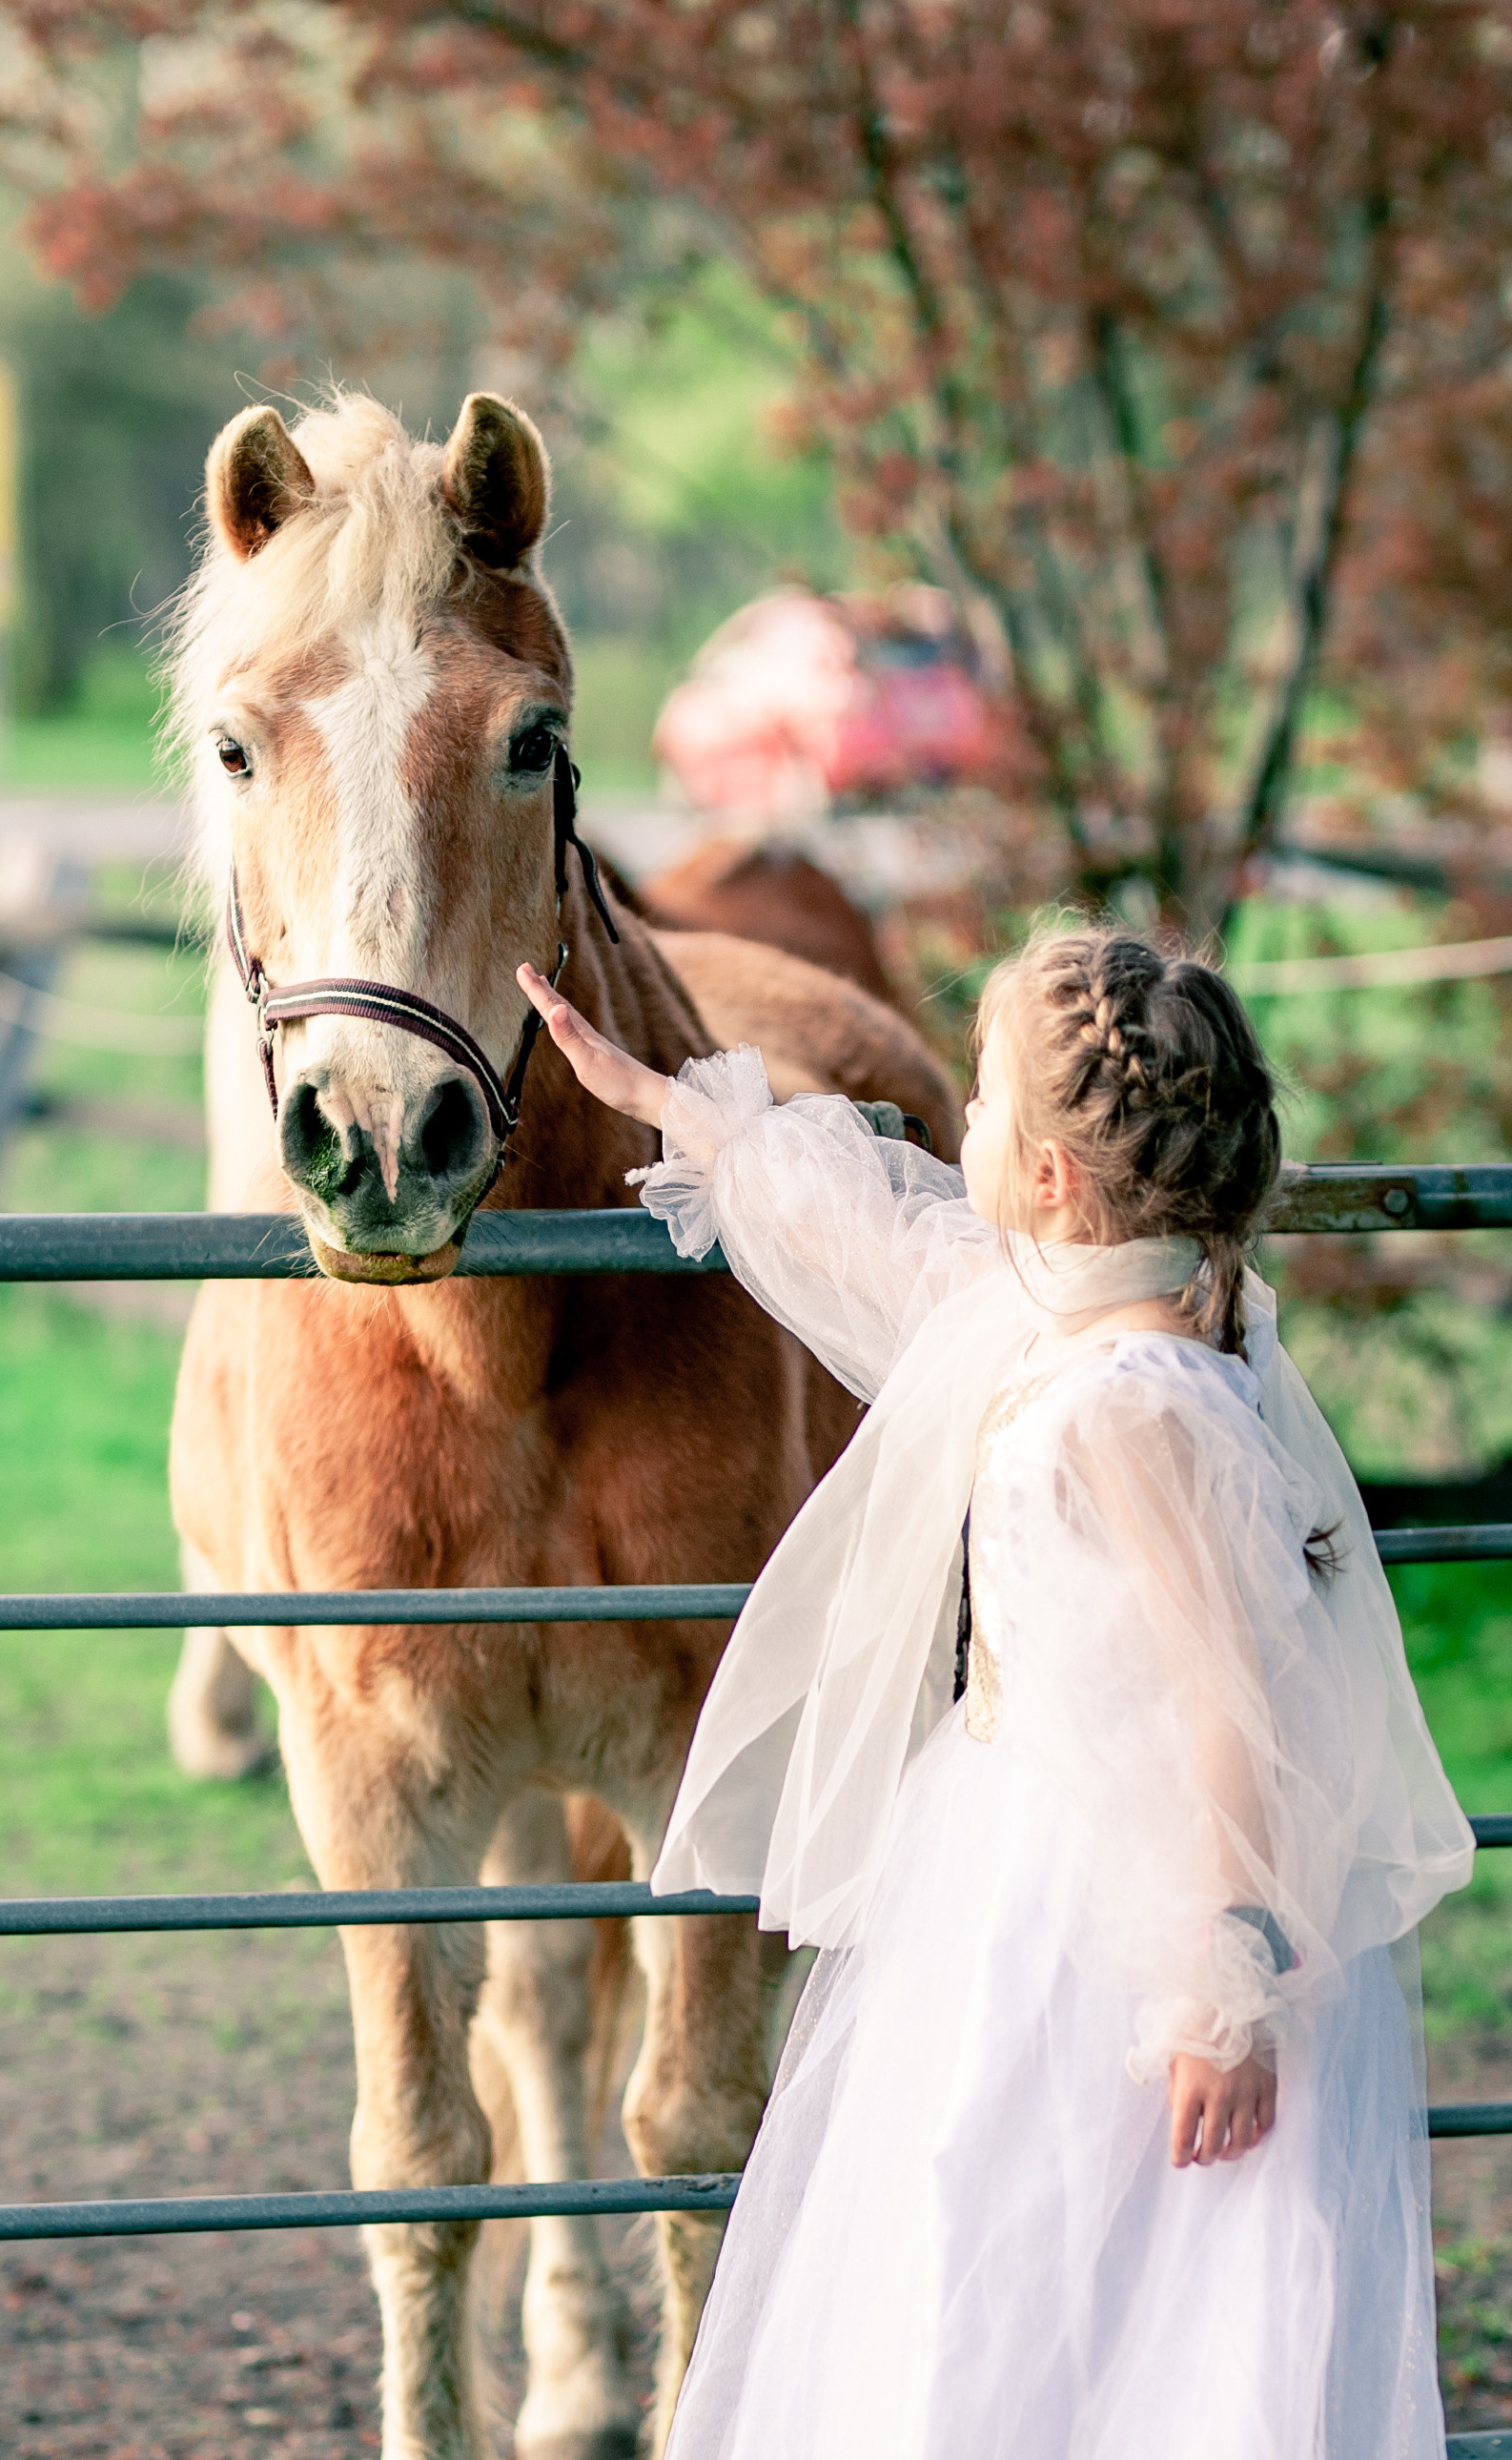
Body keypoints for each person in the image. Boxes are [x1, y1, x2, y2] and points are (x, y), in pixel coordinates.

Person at [517, 926, 1475, 2460]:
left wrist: (1218, 1985)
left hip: (1120, 1906)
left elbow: (1233, 1698)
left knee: (1094, 2258)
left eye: (973, 1101)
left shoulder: (1134, 1405)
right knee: (974, 2216)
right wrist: (674, 1107)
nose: (945, 1129)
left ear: (1049, 1181)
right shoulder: (1072, 1316)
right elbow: (872, 1242)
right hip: (1009, 1868)